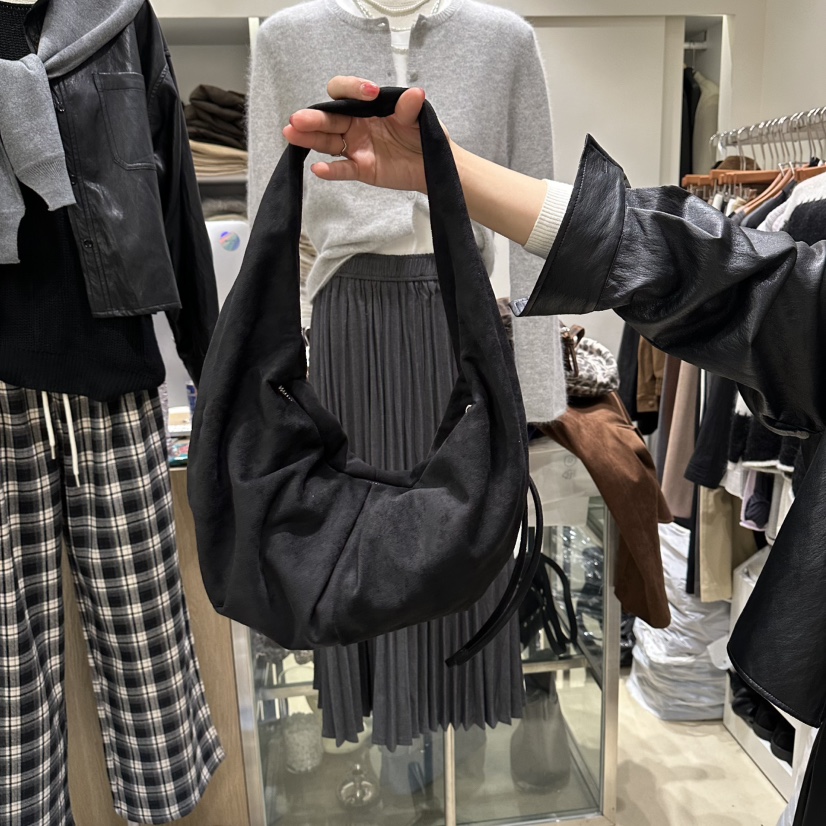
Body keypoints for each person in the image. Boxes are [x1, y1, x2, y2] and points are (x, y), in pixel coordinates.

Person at [284, 76, 826, 825]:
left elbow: (752, 295)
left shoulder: (500, 36)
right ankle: (394, 738)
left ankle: (451, 741)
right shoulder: (286, 40)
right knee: (370, 557)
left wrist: (538, 401)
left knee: (453, 560)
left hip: (454, 310)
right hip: (348, 321)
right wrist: (449, 170)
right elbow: (756, 294)